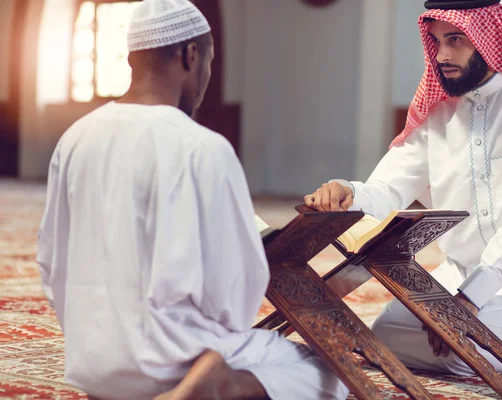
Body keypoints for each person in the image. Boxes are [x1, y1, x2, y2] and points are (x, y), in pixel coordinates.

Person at [36, 1, 349, 399]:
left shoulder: (76, 137)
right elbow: (235, 292)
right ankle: (211, 385)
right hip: (175, 364)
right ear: (191, 55)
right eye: (209, 63)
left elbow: (50, 260)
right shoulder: (201, 147)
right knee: (327, 373)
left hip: (90, 364)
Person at [305, 0, 502, 376]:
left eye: (456, 39)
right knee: (382, 337)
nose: (442, 54)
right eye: (436, 40)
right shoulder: (440, 109)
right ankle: (495, 338)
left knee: (460, 353)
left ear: (489, 37)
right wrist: (348, 192)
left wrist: (475, 297)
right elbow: (389, 186)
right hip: (456, 277)